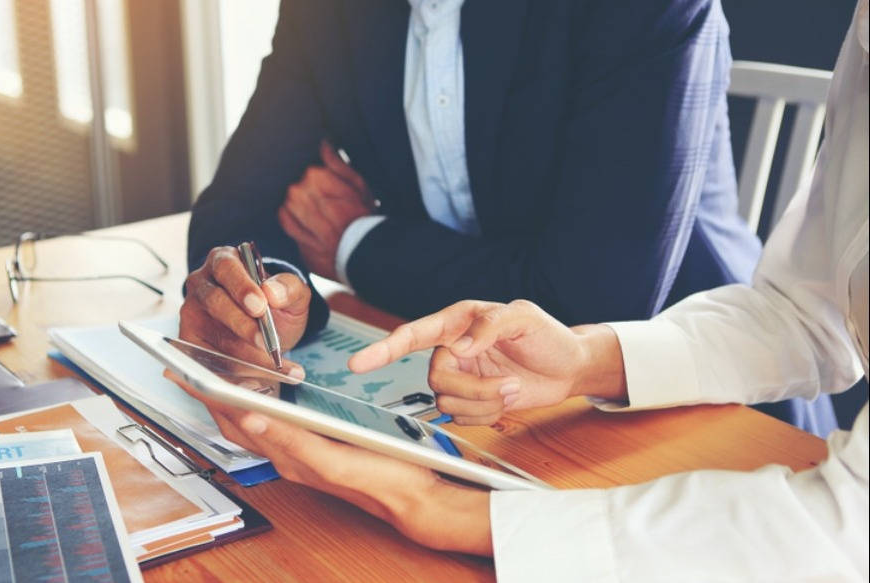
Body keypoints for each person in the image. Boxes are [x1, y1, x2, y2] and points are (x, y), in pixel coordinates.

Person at [175, 2, 869, 579]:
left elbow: (590, 289)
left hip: (725, 428)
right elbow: (807, 310)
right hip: (545, 393)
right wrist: (270, 295)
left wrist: (432, 505)